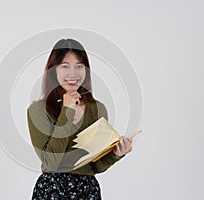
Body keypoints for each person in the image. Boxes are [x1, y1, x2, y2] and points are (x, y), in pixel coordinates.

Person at [27, 38, 133, 199]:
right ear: (53, 71)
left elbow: (95, 165)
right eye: (65, 66)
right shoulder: (37, 110)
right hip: (52, 191)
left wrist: (116, 154)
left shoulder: (97, 109)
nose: (73, 74)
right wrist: (67, 112)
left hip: (87, 190)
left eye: (79, 66)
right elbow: (51, 162)